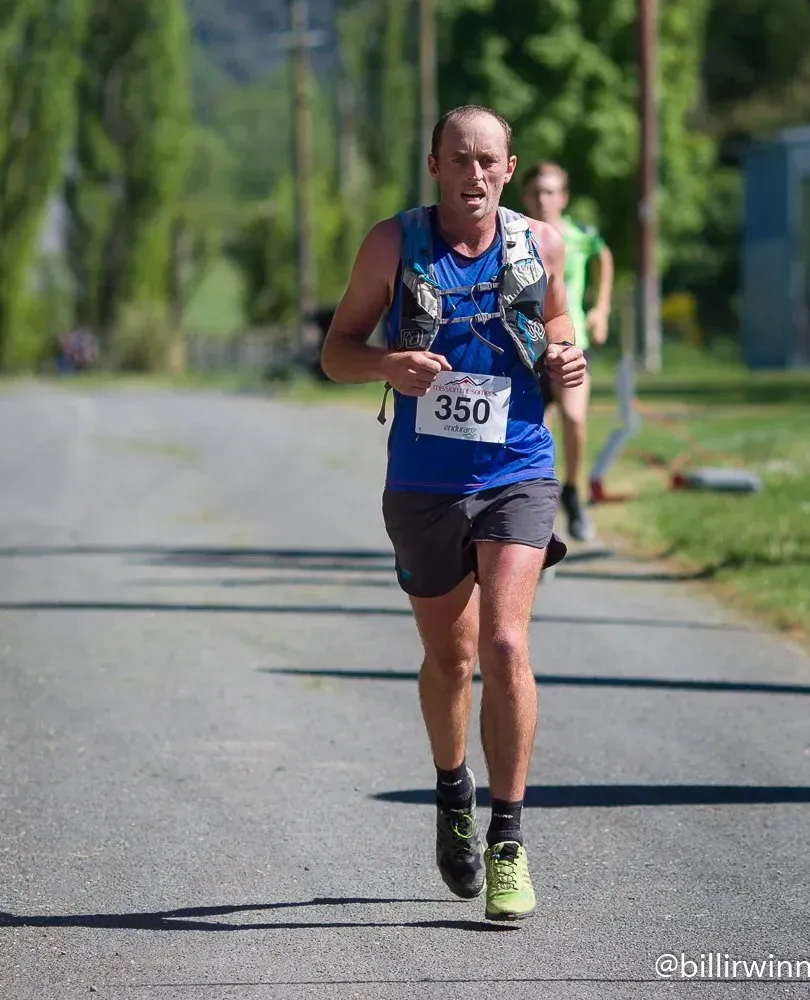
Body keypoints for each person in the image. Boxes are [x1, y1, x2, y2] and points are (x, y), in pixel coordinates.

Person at [319, 106, 586, 922]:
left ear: (510, 169)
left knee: (505, 644)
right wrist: (386, 364)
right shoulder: (393, 244)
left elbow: (558, 321)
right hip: (425, 483)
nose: (474, 174)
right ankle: (452, 792)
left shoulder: (539, 244)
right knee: (451, 659)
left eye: (488, 160)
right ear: (434, 165)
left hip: (518, 468)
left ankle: (508, 838)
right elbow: (334, 352)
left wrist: (566, 354)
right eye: (459, 159)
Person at [520, 162, 613, 540]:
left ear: (563, 197)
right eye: (536, 192)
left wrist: (601, 309)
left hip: (571, 345)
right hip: (528, 349)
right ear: (525, 196)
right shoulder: (516, 234)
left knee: (574, 418)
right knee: (536, 433)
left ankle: (573, 492)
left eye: (550, 192)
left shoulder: (578, 236)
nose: (543, 199)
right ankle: (538, 511)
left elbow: (603, 256)